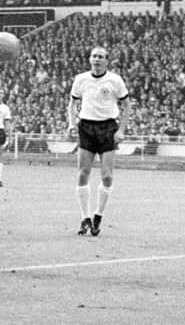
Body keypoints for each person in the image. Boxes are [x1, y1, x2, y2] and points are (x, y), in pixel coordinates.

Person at [67, 46, 131, 237]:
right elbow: (72, 103)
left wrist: (121, 129)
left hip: (107, 128)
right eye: (94, 56)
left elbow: (126, 104)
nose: (96, 59)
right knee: (83, 173)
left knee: (107, 176)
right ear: (89, 59)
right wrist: (72, 123)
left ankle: (98, 216)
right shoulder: (81, 79)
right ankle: (85, 217)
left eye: (100, 57)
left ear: (106, 61)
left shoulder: (115, 80)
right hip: (86, 126)